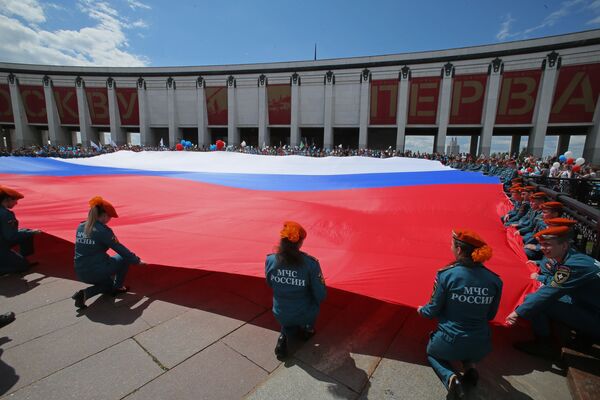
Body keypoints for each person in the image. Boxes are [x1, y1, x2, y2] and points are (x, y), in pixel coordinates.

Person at [418, 229, 503, 399]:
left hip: (450, 341)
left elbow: (432, 310)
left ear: (458, 250)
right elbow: (490, 315)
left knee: (432, 353)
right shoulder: (495, 280)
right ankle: (471, 369)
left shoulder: (447, 275)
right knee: (468, 350)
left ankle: (452, 379)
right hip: (481, 343)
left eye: (452, 245)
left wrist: (421, 310)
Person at [506, 226, 600, 359]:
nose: (543, 248)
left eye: (548, 244)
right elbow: (556, 282)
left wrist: (518, 312)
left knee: (539, 302)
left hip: (595, 316)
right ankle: (584, 337)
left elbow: (550, 292)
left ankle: (544, 345)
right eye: (542, 244)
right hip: (591, 307)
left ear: (564, 245)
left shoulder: (573, 265)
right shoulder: (575, 257)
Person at [265, 221, 326, 359]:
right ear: (300, 243)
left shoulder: (270, 260)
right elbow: (320, 294)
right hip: (304, 313)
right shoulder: (311, 264)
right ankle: (307, 329)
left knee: (288, 317)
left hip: (279, 311)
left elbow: (270, 283)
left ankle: (284, 336)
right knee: (312, 305)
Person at [71, 196, 142, 310]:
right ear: (104, 216)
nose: (109, 220)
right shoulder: (103, 231)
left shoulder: (81, 226)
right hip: (96, 271)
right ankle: (118, 287)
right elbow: (120, 249)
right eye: (110, 217)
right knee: (123, 258)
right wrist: (136, 260)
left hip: (80, 271)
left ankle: (84, 294)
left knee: (107, 285)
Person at [0, 185, 41, 274]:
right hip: (2, 245)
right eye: (15, 200)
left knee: (28, 232)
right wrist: (31, 232)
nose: (16, 203)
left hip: (3, 240)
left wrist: (28, 231)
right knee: (23, 266)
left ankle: (17, 258)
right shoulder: (6, 214)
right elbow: (11, 236)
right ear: (8, 199)